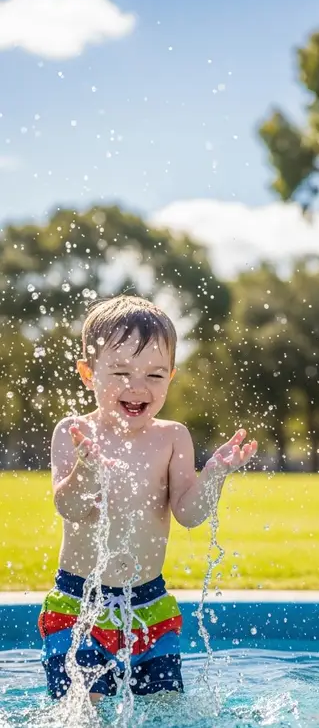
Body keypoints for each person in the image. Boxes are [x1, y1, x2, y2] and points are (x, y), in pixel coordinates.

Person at [39, 295, 257, 702]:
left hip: (149, 603)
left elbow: (189, 515)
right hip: (80, 601)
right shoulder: (73, 432)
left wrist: (214, 475)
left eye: (155, 376)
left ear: (171, 377)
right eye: (120, 372)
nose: (137, 387)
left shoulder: (172, 437)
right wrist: (85, 470)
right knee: (85, 713)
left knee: (165, 710)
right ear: (88, 374)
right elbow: (68, 507)